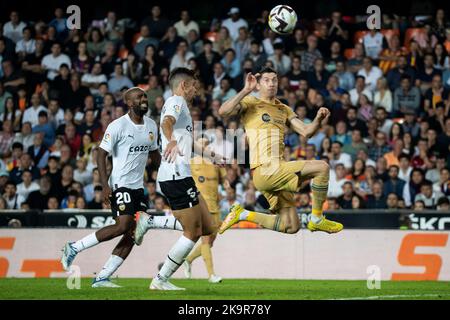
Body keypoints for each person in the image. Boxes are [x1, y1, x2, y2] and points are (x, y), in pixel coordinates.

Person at [217, 67, 343, 237]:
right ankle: (317, 219)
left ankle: (243, 214)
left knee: (291, 226)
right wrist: (245, 90)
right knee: (322, 167)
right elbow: (223, 111)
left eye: (274, 80)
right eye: (267, 80)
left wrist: (318, 119)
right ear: (258, 85)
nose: (271, 83)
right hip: (265, 169)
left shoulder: (283, 109)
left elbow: (306, 132)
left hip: (277, 171)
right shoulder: (250, 102)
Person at [60, 87, 160, 288]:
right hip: (120, 184)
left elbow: (155, 154)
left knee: (134, 233)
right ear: (129, 103)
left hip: (138, 188)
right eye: (139, 97)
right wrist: (104, 185)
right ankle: (73, 248)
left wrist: (167, 169)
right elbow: (100, 154)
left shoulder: (151, 125)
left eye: (145, 97)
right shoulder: (117, 126)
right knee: (123, 225)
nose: (144, 99)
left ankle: (102, 277)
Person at [134, 68, 218, 290]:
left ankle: (151, 221)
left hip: (181, 174)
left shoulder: (182, 108)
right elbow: (166, 123)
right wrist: (170, 140)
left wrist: (212, 155)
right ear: (183, 86)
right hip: (175, 174)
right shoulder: (176, 101)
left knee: (209, 226)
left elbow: (187, 142)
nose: (195, 92)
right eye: (194, 87)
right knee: (192, 233)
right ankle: (160, 280)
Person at [183, 138, 225, 284]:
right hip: (202, 205)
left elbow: (222, 181)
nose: (205, 145)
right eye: (202, 143)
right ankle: (211, 275)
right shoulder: (191, 162)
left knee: (211, 241)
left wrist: (226, 185)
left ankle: (188, 259)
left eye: (207, 144)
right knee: (206, 239)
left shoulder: (214, 164)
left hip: (215, 206)